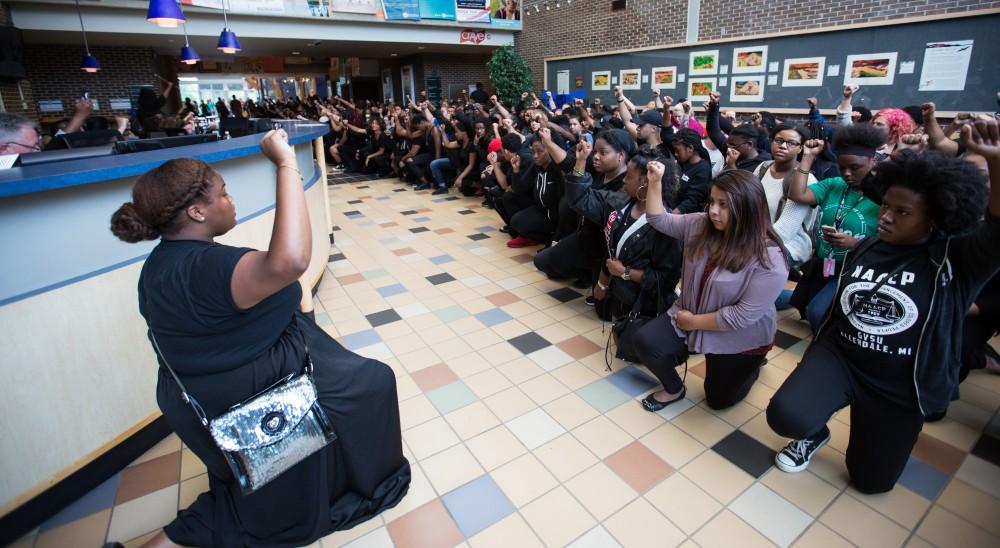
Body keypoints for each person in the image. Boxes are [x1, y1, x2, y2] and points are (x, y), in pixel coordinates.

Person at [107, 129, 411, 547]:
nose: (232, 201)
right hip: (247, 391)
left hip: (202, 389)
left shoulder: (162, 264)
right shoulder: (208, 269)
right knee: (373, 383)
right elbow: (289, 261)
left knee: (363, 381)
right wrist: (285, 163)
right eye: (223, 194)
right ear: (197, 212)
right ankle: (349, 480)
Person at [766, 118, 1000, 494]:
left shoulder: (956, 260)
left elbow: (997, 229)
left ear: (935, 219)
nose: (886, 217)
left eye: (902, 212)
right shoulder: (873, 243)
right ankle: (815, 433)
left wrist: (995, 161)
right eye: (887, 206)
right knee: (787, 415)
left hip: (898, 382)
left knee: (871, 482)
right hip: (841, 356)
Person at [636, 164, 789, 411]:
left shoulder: (770, 257)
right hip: (689, 315)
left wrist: (693, 322)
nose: (714, 211)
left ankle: (753, 366)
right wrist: (655, 182)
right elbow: (658, 219)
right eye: (712, 202)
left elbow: (741, 316)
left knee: (718, 400)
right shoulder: (700, 224)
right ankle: (674, 390)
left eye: (724, 205)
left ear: (748, 208)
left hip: (739, 335)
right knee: (646, 342)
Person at [565, 144, 683, 343]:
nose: (623, 181)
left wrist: (625, 273)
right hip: (616, 290)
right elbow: (579, 199)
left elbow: (666, 280)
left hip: (645, 302)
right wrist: (580, 161)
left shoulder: (667, 225)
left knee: (635, 347)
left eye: (628, 176)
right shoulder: (618, 203)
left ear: (645, 182)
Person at [785, 124, 886, 331]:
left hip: (855, 270)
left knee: (817, 313)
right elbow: (797, 195)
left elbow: (891, 242)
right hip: (825, 264)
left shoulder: (884, 195)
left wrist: (855, 243)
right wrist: (808, 157)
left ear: (873, 161)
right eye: (842, 168)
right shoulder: (834, 184)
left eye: (855, 167)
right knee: (803, 307)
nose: (847, 174)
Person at [534, 129, 636, 285]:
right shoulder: (599, 171)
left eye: (603, 152)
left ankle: (589, 274)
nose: (596, 156)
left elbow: (581, 200)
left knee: (598, 298)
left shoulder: (626, 186)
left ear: (620, 156)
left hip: (604, 249)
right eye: (595, 151)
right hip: (584, 237)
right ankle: (583, 271)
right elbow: (568, 164)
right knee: (542, 261)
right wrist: (580, 158)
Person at [754, 125, 820, 267]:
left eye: (791, 143)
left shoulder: (806, 180)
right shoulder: (763, 167)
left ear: (801, 148)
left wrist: (745, 242)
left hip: (789, 245)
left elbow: (785, 231)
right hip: (754, 238)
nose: (783, 146)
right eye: (778, 140)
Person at [669, 128, 712, 214]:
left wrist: (672, 215)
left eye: (678, 150)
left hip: (687, 218)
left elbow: (693, 199)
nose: (675, 154)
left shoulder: (703, 169)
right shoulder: (682, 163)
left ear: (690, 148)